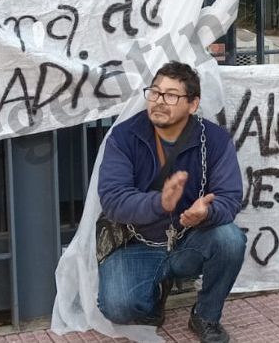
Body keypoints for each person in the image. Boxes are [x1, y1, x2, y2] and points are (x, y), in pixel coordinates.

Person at [97, 61, 245, 343]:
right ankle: (153, 297)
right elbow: (113, 199)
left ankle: (205, 315)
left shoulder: (214, 139)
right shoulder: (124, 136)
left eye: (171, 95)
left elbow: (230, 197)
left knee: (230, 239)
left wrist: (207, 213)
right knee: (117, 307)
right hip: (136, 241)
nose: (159, 101)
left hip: (189, 239)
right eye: (154, 92)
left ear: (193, 104)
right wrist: (159, 203)